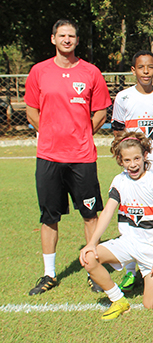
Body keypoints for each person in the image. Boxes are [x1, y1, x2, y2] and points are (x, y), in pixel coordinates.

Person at [25, 19, 111, 295]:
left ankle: (94, 270)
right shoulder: (39, 72)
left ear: (76, 40)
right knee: (50, 216)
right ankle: (49, 274)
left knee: (90, 213)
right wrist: (51, 135)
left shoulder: (91, 72)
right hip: (49, 156)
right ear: (53, 39)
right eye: (62, 35)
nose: (66, 40)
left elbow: (100, 112)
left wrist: (83, 133)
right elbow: (31, 112)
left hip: (82, 157)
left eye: (71, 36)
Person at [79, 131, 153, 320]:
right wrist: (92, 242)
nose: (133, 164)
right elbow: (107, 212)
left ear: (145, 156)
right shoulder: (119, 181)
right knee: (89, 258)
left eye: (137, 158)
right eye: (127, 160)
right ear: (120, 160)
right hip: (129, 242)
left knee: (150, 305)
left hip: (152, 249)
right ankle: (119, 301)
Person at [112, 50, 153, 292]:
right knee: (131, 215)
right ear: (133, 70)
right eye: (141, 67)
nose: (146, 71)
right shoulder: (124, 98)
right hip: (133, 171)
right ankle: (130, 271)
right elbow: (119, 132)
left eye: (150, 67)